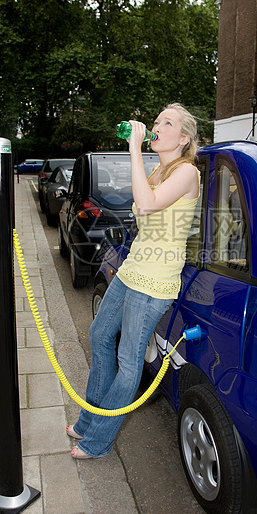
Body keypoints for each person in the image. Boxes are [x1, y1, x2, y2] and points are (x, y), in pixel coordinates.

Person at [67, 103, 200, 459]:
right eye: (157, 120)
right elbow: (143, 207)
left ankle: (97, 441)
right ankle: (87, 420)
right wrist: (141, 156)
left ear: (184, 138)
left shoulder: (187, 172)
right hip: (131, 271)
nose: (157, 126)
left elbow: (145, 204)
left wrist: (134, 148)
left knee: (129, 362)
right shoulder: (159, 169)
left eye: (166, 123)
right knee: (99, 335)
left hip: (154, 281)